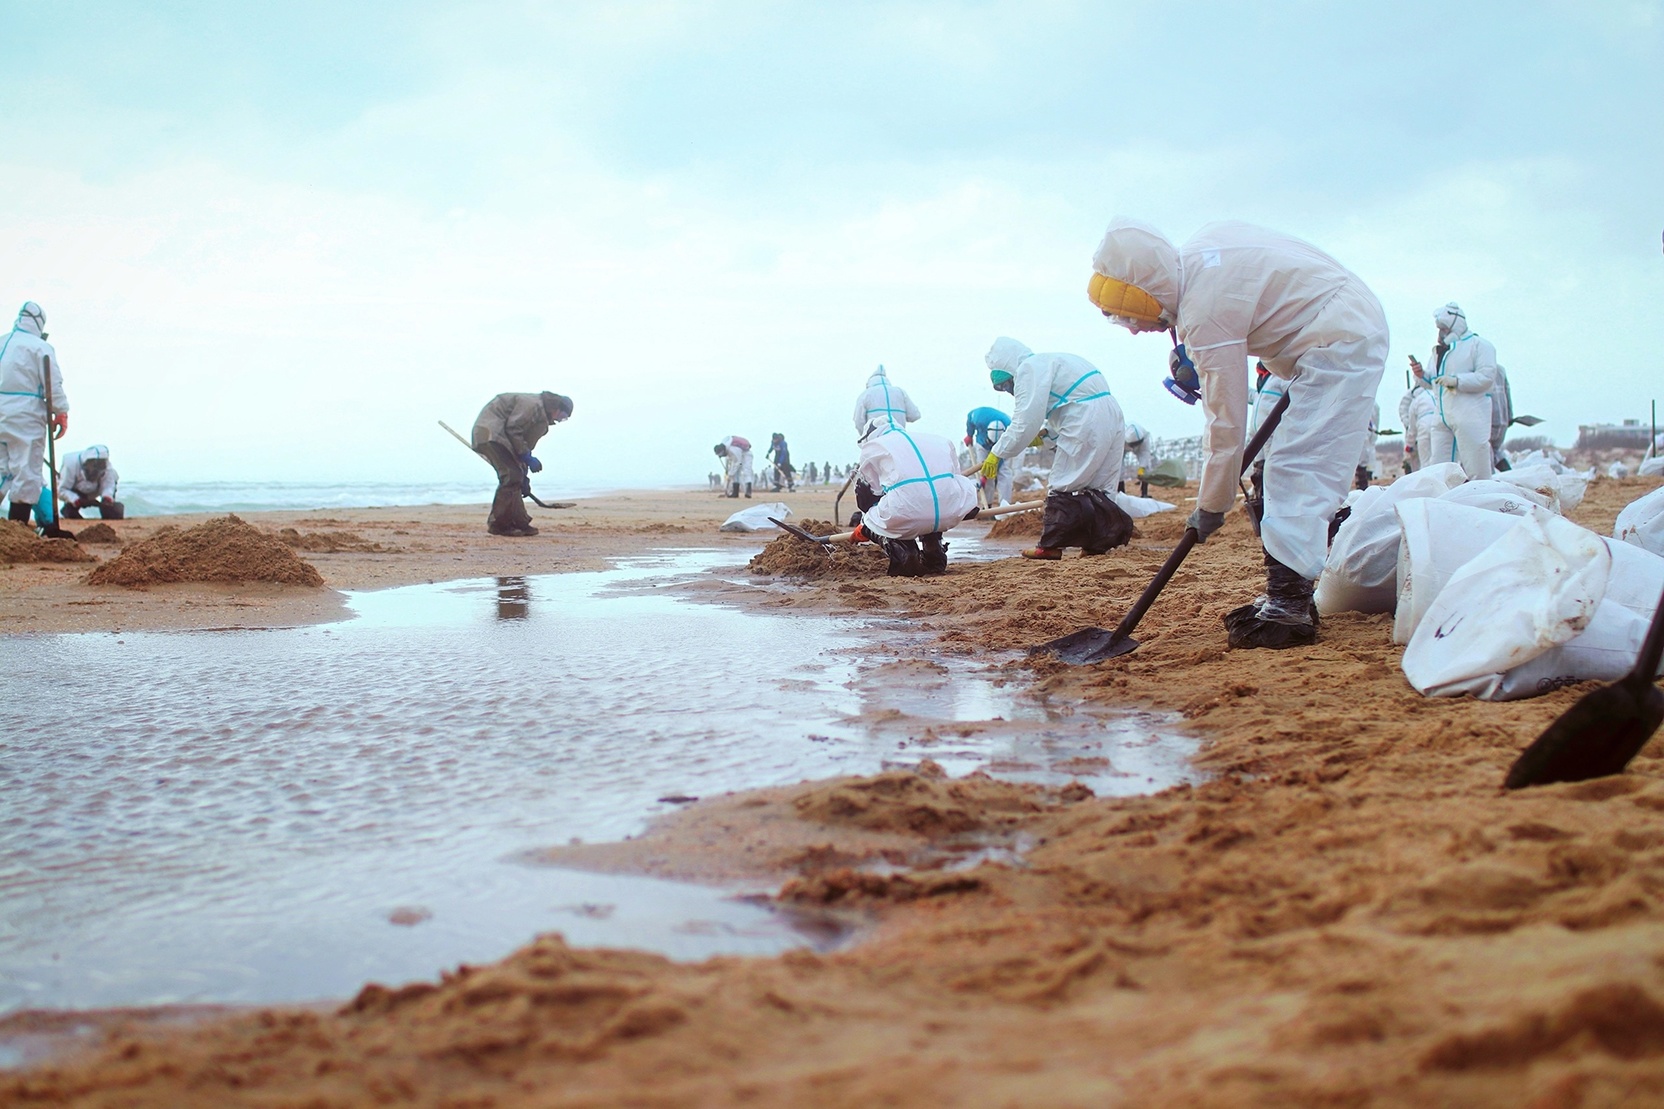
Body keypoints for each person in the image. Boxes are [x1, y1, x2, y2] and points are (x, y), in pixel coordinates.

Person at [1090, 218, 1387, 649]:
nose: (1135, 329)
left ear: (1150, 291)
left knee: (1297, 467)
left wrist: (1211, 505)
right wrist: (1192, 349)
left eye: (1136, 316)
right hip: (1326, 324)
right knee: (1287, 466)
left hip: (1340, 337)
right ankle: (1287, 593)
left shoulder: (1204, 308)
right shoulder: (1194, 259)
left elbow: (1226, 423)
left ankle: (1290, 605)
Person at [982, 337, 1133, 560]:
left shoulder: (1028, 369)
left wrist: (997, 452)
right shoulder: (1052, 362)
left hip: (1085, 419)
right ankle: (1098, 544)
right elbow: (1065, 405)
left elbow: (1025, 421)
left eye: (1007, 384)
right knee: (1101, 483)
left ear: (1010, 367)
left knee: (1065, 481)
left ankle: (1051, 545)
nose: (1009, 390)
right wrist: (1046, 435)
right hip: (1109, 413)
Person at [848, 419, 979, 576]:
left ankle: (904, 552)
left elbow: (873, 492)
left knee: (878, 506)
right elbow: (955, 476)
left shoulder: (874, 447)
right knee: (933, 495)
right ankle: (933, 547)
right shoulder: (938, 440)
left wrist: (867, 526)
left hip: (908, 514)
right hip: (951, 512)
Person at [0, 302, 68, 529]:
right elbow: (53, 383)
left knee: (2, 470)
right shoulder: (40, 347)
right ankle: (16, 528)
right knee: (27, 471)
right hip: (26, 414)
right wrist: (61, 411)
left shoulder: (2, 342)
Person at [471, 390, 572, 536]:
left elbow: (523, 447)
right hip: (491, 433)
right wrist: (526, 457)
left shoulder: (541, 419)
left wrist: (525, 474)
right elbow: (513, 428)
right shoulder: (533, 405)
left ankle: (520, 522)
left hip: (503, 437)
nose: (560, 420)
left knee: (516, 477)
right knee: (511, 476)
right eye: (562, 416)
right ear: (556, 408)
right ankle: (499, 524)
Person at [1425, 302, 1497, 480]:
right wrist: (1421, 375)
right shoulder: (1440, 352)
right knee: (1439, 469)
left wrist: (1457, 381)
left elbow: (1486, 377)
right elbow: (1433, 381)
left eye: (1444, 328)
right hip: (1442, 414)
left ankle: (1482, 500)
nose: (1441, 332)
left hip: (1470, 413)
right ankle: (1441, 503)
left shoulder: (1480, 345)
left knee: (1476, 465)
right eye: (1439, 329)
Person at [964, 405, 1013, 507]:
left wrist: (989, 471)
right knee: (984, 474)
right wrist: (969, 434)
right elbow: (969, 418)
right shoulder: (978, 417)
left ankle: (1005, 506)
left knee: (1004, 472)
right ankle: (987, 505)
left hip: (1003, 447)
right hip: (982, 444)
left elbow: (998, 461)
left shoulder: (1010, 426)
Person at [852, 365, 920, 435]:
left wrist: (865, 436)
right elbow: (915, 415)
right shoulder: (900, 392)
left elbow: (858, 421)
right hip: (899, 437)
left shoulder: (866, 394)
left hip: (877, 439)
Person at [58, 444, 123, 519]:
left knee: (113, 516)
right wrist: (74, 499)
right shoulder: (70, 465)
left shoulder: (108, 469)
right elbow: (62, 490)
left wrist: (107, 497)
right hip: (77, 491)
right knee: (72, 515)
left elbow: (108, 485)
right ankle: (69, 508)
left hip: (97, 489)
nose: (96, 471)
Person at [1399, 356, 1437, 474]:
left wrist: (1409, 445)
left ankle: (1427, 486)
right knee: (1438, 459)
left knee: (1425, 462)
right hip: (1439, 425)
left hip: (1423, 429)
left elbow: (1412, 427)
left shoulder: (1415, 402)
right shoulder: (1435, 395)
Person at [1490, 363, 1514, 472]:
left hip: (1487, 419)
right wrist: (1510, 416)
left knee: (1486, 452)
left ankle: (1489, 484)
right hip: (1502, 418)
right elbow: (1507, 393)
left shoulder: (1476, 370)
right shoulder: (1500, 369)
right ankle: (1509, 475)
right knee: (1495, 451)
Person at [1122, 422, 1154, 496]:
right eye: (1133, 444)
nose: (1134, 447)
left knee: (1146, 468)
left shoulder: (1145, 437)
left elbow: (1145, 454)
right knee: (1118, 469)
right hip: (1123, 448)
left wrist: (1141, 469)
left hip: (1140, 447)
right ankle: (1121, 493)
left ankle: (1144, 493)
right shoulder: (1120, 437)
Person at [1355, 401, 1380, 490]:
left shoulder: (1374, 404)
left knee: (1367, 454)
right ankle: (1361, 481)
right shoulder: (1356, 400)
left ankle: (1365, 478)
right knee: (1362, 454)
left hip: (1369, 430)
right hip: (1360, 429)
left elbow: (1376, 419)